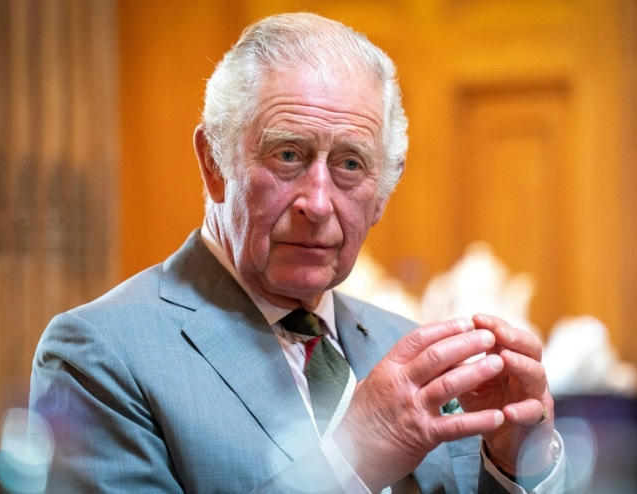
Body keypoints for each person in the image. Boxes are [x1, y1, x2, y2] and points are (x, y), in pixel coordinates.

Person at [29, 12, 568, 493]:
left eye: (350, 164)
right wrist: (353, 458)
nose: (318, 202)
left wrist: (518, 466)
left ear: (384, 192)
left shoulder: (412, 350)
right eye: (288, 155)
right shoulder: (99, 356)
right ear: (214, 163)